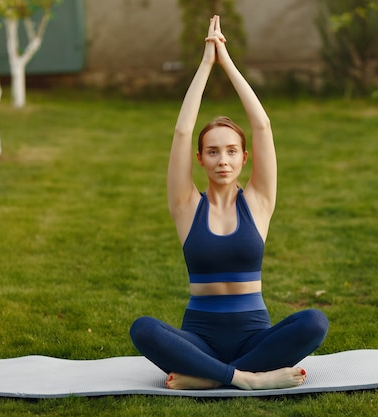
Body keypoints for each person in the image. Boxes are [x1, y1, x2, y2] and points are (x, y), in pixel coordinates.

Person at [129, 15, 328, 390]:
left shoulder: (258, 202)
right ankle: (247, 379)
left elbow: (263, 125)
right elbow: (182, 130)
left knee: (315, 322)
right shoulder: (187, 205)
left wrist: (227, 62)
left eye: (232, 151)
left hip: (254, 337)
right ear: (200, 159)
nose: (223, 159)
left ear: (243, 158)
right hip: (199, 340)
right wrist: (206, 63)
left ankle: (208, 378)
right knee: (143, 329)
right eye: (213, 151)